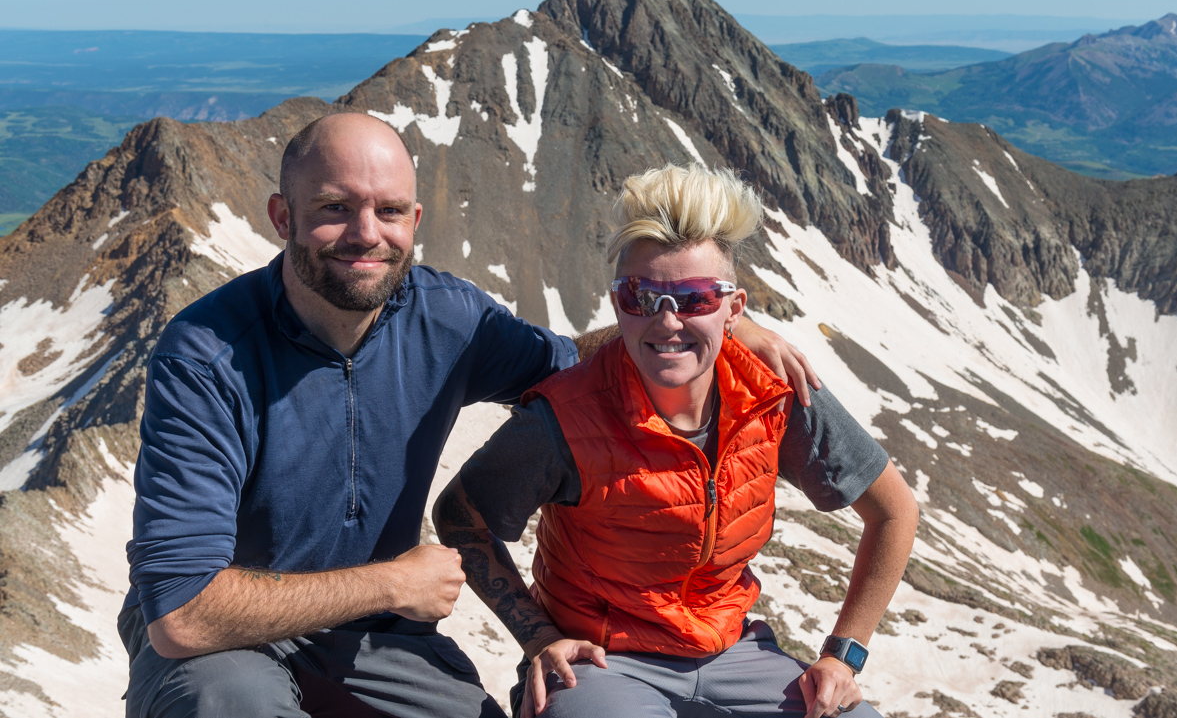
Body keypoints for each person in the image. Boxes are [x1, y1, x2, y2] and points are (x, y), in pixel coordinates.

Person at [120, 114, 820, 718]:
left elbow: (572, 362)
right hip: (226, 642)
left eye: (390, 210)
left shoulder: (445, 317)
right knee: (235, 705)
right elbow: (183, 612)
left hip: (370, 634)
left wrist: (706, 321)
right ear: (282, 216)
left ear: (414, 221)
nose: (367, 234)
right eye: (335, 207)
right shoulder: (207, 355)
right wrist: (394, 583)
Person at [434, 163, 919, 718]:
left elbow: (894, 512)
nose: (666, 322)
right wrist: (538, 638)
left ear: (735, 309)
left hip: (735, 651)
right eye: (641, 297)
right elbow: (460, 517)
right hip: (603, 662)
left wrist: (842, 656)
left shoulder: (777, 395)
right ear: (618, 306)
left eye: (694, 299)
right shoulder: (562, 419)